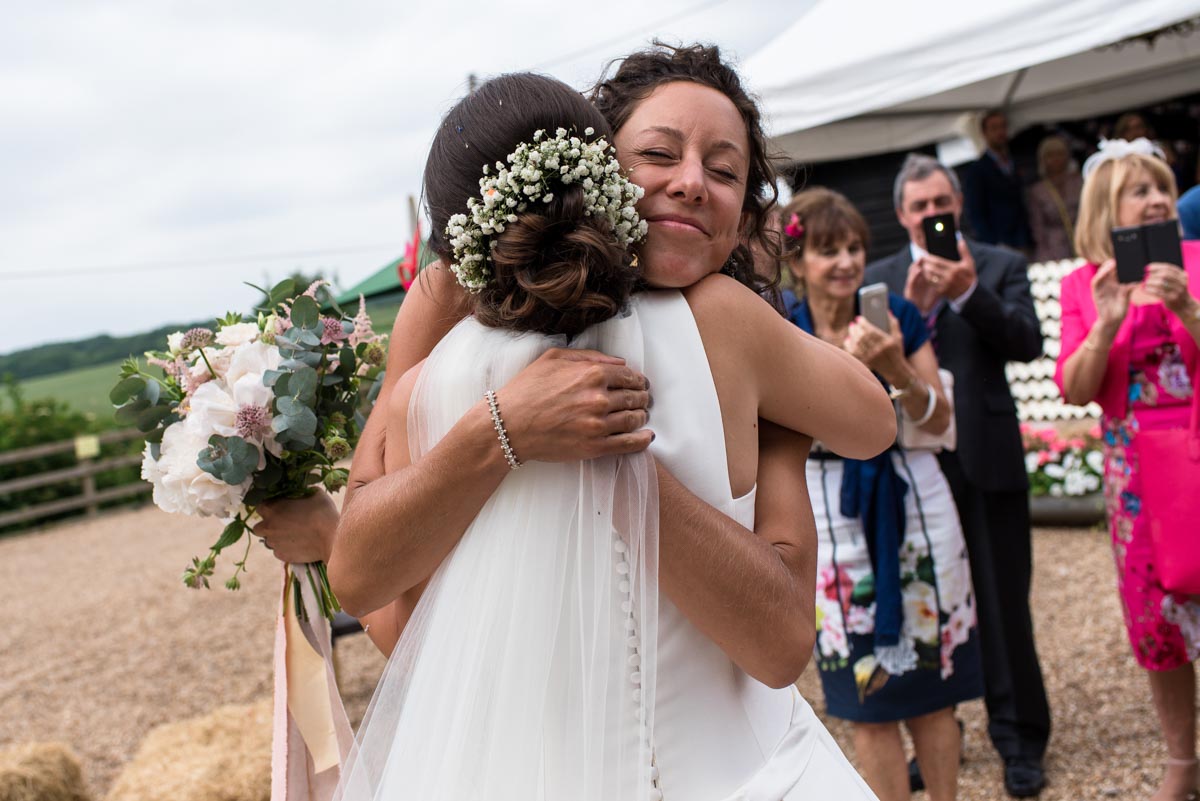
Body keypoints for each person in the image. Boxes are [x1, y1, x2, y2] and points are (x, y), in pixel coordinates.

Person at [330, 54, 900, 800]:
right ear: (592, 162)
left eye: (724, 172)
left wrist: (777, 438)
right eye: (658, 153)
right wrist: (505, 428)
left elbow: (389, 611)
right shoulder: (452, 324)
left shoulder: (440, 358)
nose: (691, 182)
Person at [780, 188, 982, 801]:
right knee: (865, 700)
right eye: (828, 250)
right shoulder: (785, 331)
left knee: (932, 693)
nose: (845, 262)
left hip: (913, 498)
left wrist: (894, 365)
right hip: (829, 508)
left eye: (854, 248)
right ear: (797, 262)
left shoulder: (896, 315)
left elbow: (940, 419)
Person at [865, 153, 1049, 798]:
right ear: (901, 214)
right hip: (914, 465)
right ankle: (940, 735)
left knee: (1003, 605)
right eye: (919, 206)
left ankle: (1020, 739)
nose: (931, 214)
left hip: (987, 456)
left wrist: (970, 293)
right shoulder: (880, 279)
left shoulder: (999, 264)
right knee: (928, 603)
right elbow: (867, 371)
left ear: (959, 203)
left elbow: (1028, 343)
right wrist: (909, 312)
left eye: (940, 203)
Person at [1055, 139, 1200, 801]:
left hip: (1196, 444)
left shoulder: (1196, 260)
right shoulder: (1084, 285)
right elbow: (1075, 388)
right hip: (1137, 476)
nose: (1157, 199)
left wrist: (1188, 308)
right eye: (1139, 190)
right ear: (1105, 210)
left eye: (1161, 186)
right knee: (1157, 618)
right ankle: (1182, 761)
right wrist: (1106, 323)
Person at [963, 109, 1032, 253]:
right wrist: (993, 244)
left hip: (1023, 240)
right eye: (994, 128)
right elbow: (975, 212)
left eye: (1002, 127)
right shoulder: (977, 170)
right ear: (984, 133)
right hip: (1001, 244)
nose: (1000, 132)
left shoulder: (1015, 162)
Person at [1026, 135, 1082, 262]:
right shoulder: (1038, 191)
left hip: (1081, 239)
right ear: (1043, 160)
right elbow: (1038, 228)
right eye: (1050, 155)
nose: (1056, 159)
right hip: (1053, 248)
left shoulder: (1078, 182)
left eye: (1060, 154)